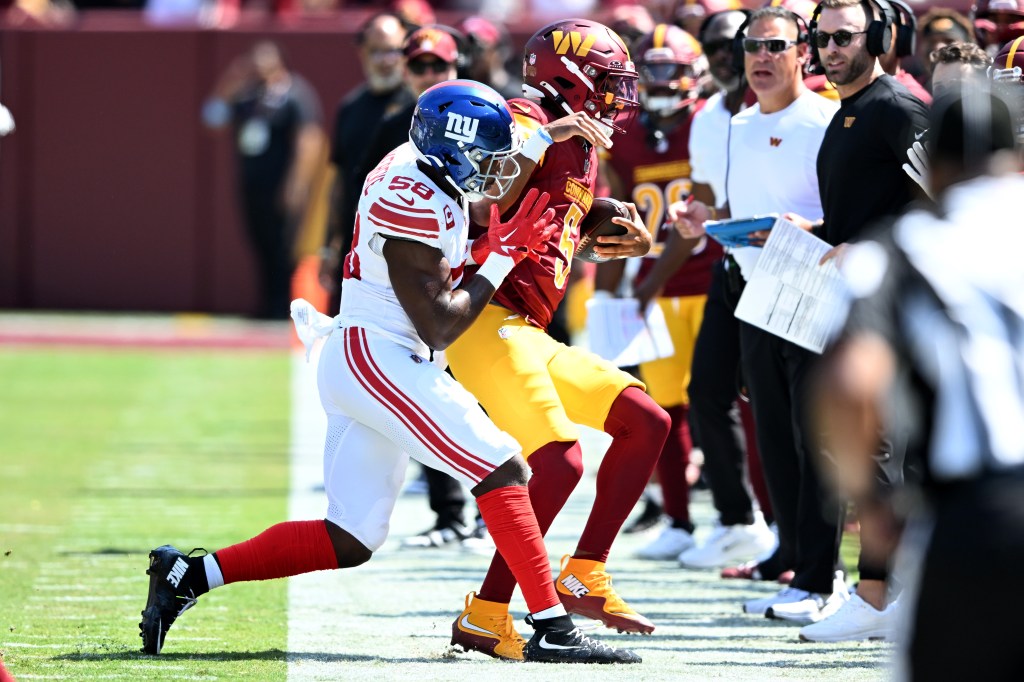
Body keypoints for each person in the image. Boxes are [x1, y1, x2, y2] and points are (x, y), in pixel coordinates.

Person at [139, 80, 639, 665]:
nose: (499, 172)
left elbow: (483, 192)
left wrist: (559, 168)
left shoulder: (421, 159)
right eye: (488, 158)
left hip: (371, 354)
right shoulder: (409, 197)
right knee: (503, 468)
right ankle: (552, 627)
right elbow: (440, 326)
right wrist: (504, 254)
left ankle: (189, 575)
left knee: (349, 538)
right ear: (454, 151)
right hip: (381, 356)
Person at [446, 19, 670, 661]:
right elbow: (486, 188)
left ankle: (582, 573)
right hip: (484, 319)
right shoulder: (522, 113)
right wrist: (548, 131)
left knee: (644, 422)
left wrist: (612, 221)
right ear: (566, 77)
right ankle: (488, 613)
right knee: (559, 460)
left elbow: (554, 209)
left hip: (528, 327)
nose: (616, 96)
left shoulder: (580, 138)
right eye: (605, 81)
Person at [814, 83, 1023, 679]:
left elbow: (850, 383)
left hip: (980, 511)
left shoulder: (906, 249)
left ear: (939, 165)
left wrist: (872, 501)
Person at [670, 5, 842, 617]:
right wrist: (700, 223)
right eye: (753, 47)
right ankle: (797, 565)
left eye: (775, 46)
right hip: (749, 288)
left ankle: (827, 578)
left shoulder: (826, 121)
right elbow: (734, 209)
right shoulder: (737, 125)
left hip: (811, 288)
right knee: (772, 431)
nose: (761, 58)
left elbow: (847, 218)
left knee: (814, 437)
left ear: (804, 54)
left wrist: (808, 230)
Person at [777, 0, 929, 640]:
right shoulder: (847, 111)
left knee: (882, 449)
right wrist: (813, 233)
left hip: (895, 303)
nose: (830, 48)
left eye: (844, 36)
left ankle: (875, 594)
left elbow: (944, 197)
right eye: (822, 37)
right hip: (845, 299)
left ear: (882, 38)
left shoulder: (897, 108)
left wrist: (868, 246)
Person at [595, 23, 739, 564]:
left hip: (706, 281)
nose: (659, 82)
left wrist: (644, 285)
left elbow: (697, 217)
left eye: (670, 70)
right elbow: (617, 212)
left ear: (695, 74)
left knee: (724, 403)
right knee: (664, 408)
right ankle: (678, 519)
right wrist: (609, 293)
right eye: (650, 71)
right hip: (652, 290)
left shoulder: (711, 122)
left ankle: (746, 517)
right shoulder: (628, 133)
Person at [202, 41, 325, 320]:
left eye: (265, 61)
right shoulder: (246, 96)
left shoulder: (295, 94)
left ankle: (284, 307)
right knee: (260, 243)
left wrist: (297, 183)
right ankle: (268, 304)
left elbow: (309, 139)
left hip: (282, 184)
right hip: (252, 184)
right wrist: (230, 80)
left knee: (284, 246)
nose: (259, 67)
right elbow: (212, 119)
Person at [319, 12, 409, 316]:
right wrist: (329, 246)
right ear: (362, 53)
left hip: (404, 242)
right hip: (354, 242)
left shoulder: (420, 104)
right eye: (377, 51)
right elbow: (339, 182)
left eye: (394, 50)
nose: (386, 60)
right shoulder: (350, 108)